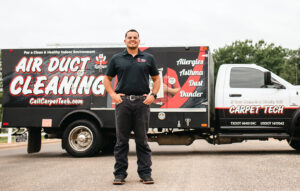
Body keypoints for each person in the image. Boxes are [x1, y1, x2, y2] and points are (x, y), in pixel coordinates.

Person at [104, 29, 161, 185]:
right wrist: (113, 95)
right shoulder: (117, 59)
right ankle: (120, 174)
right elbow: (107, 79)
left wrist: (153, 95)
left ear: (139, 40)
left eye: (135, 37)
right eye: (129, 37)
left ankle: (145, 174)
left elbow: (157, 79)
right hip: (123, 104)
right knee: (121, 141)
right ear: (125, 41)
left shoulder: (148, 58)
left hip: (142, 104)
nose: (132, 40)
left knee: (142, 141)